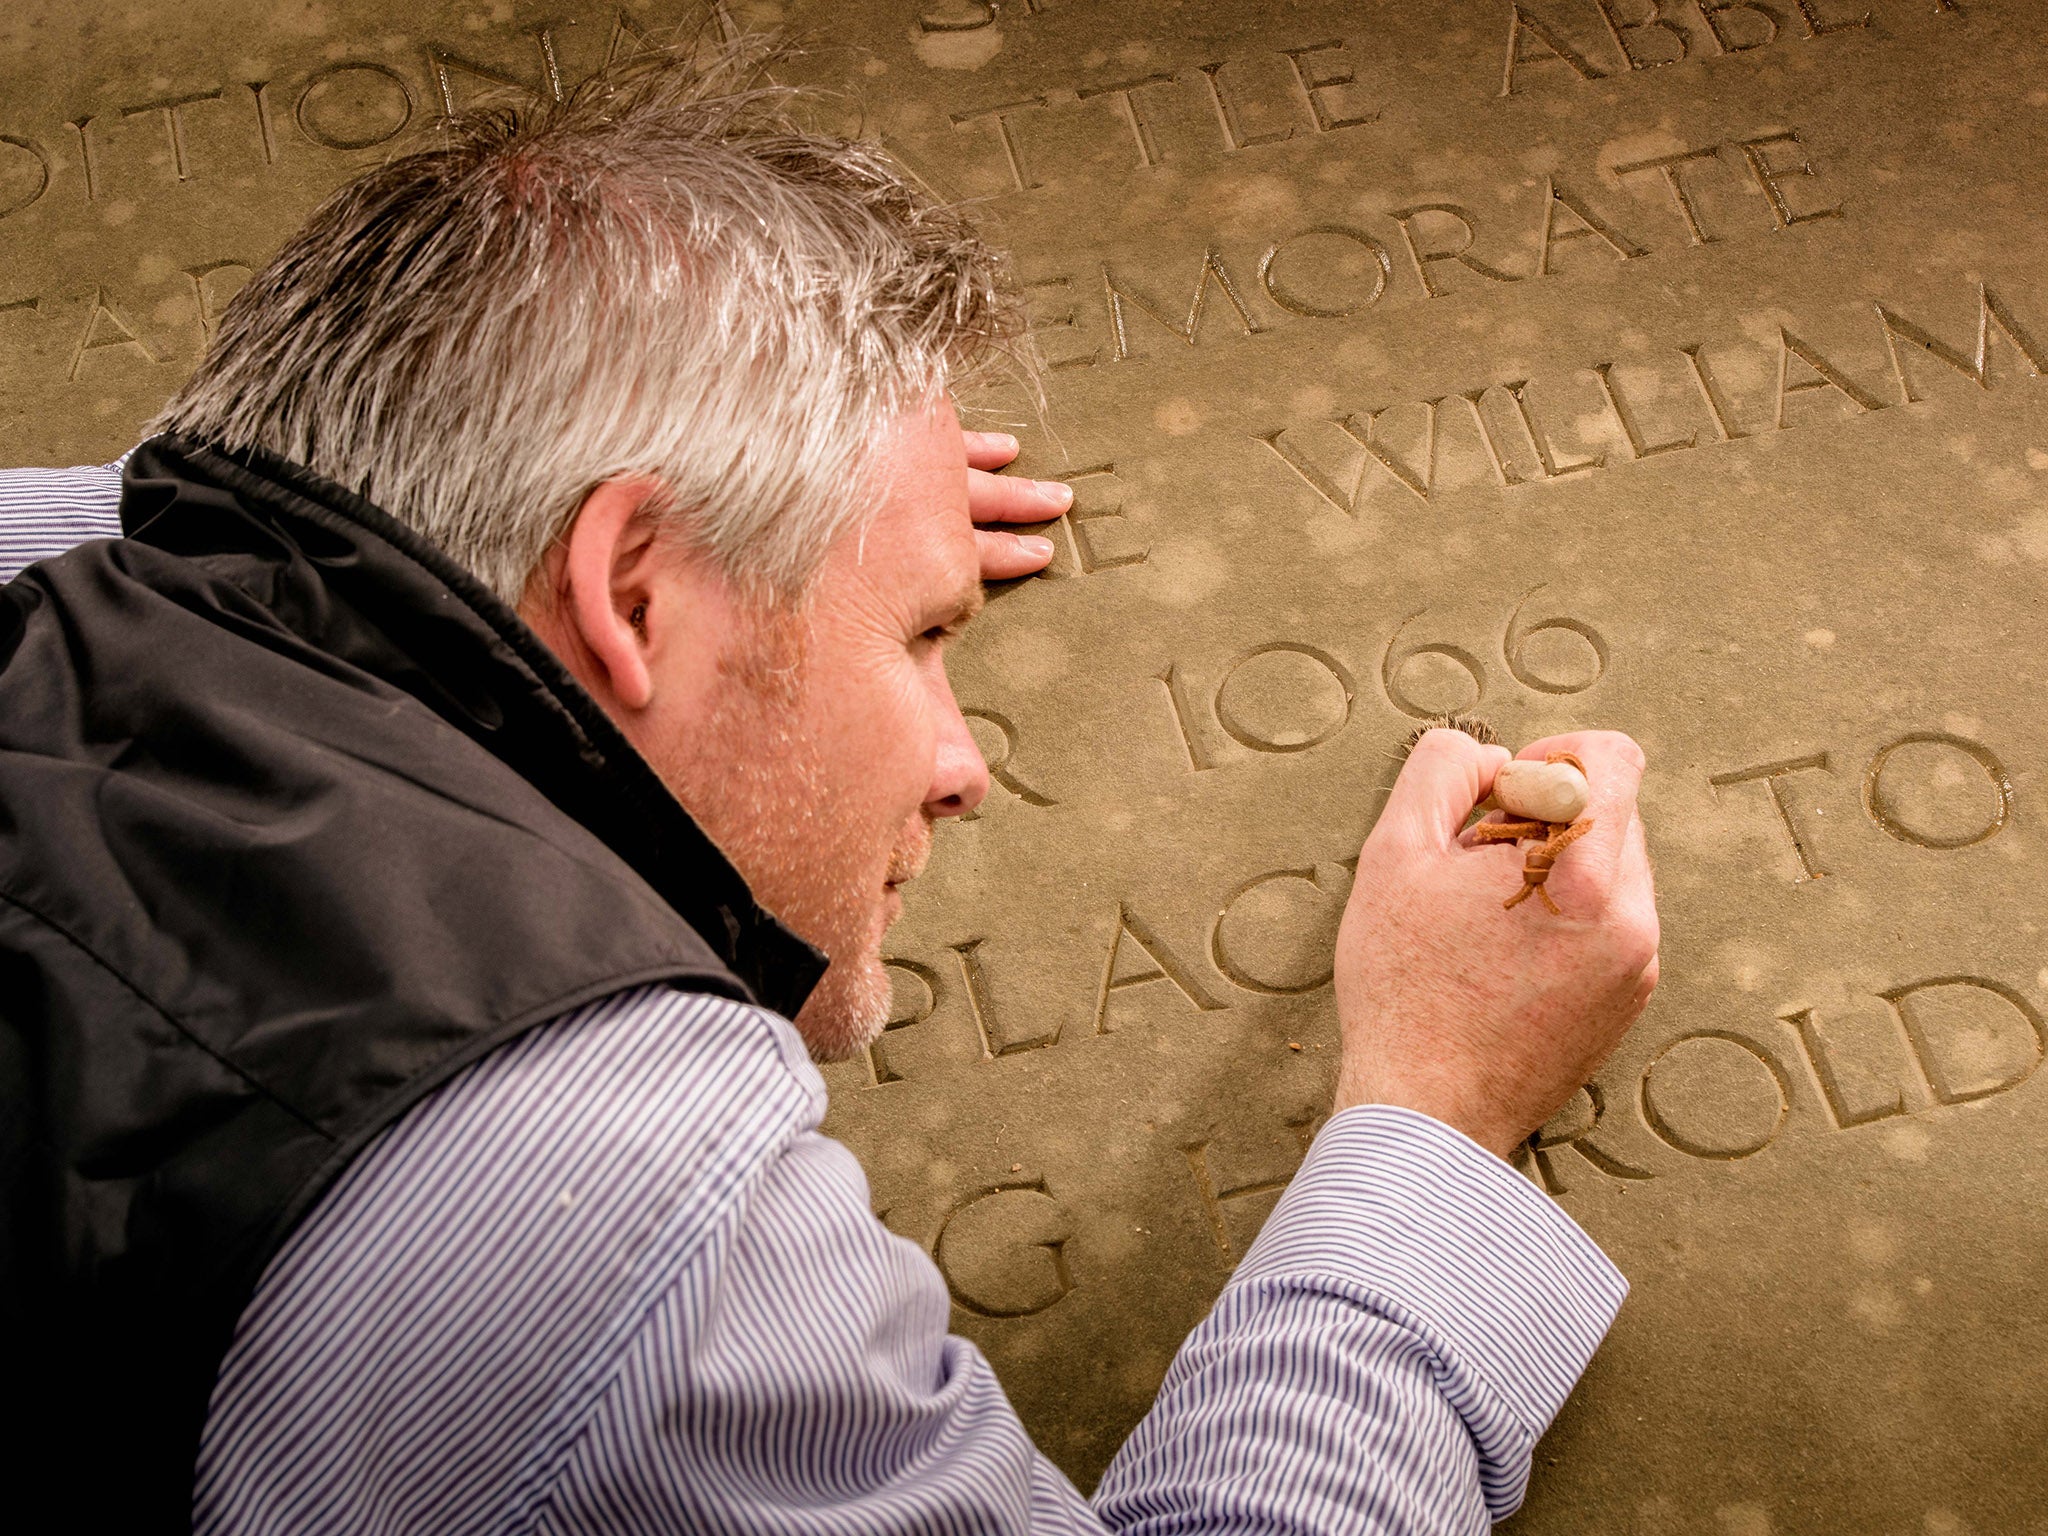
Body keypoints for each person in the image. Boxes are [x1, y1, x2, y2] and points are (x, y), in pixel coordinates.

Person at [0, 45, 1658, 1536]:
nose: (965, 767)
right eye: (928, 638)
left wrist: (826, 532)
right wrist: (1436, 1114)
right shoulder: (617, 1217)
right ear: (632, 590)